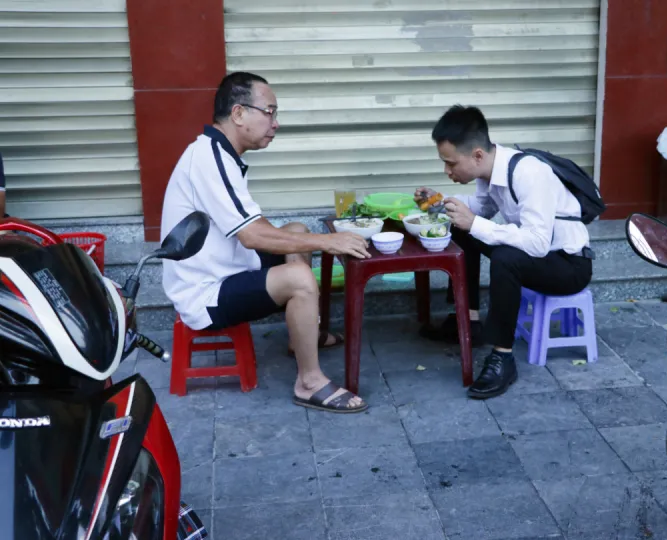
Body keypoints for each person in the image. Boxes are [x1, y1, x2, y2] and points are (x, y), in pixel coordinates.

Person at [161, 72, 372, 413]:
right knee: (300, 279)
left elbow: (253, 229)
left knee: (299, 233)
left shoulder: (220, 153)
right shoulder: (209, 157)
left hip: (227, 269)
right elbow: (251, 234)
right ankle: (309, 382)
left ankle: (303, 336)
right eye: (269, 112)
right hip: (205, 293)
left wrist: (315, 240)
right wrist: (330, 241)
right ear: (239, 113)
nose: (275, 123)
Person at [416, 105, 593, 399]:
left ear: (477, 155)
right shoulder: (490, 171)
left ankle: (502, 356)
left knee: (505, 257)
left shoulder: (529, 173)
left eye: (451, 163)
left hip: (569, 265)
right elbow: (480, 209)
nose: (447, 171)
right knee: (463, 229)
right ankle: (468, 320)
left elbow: (536, 243)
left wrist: (475, 223)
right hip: (541, 255)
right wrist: (438, 202)